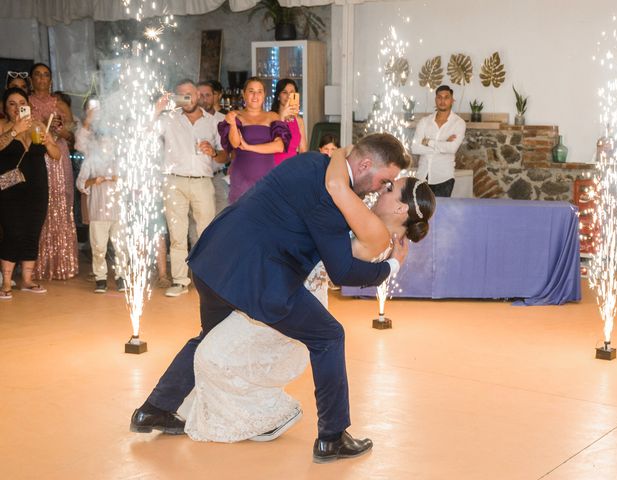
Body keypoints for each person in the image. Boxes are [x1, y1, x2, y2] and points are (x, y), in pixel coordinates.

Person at [130, 133, 411, 463]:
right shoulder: (332, 199)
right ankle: (332, 437)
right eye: (384, 179)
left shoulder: (310, 162)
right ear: (365, 164)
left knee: (210, 337)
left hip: (214, 258)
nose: (382, 187)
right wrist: (390, 268)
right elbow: (343, 272)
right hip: (259, 276)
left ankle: (153, 410)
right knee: (329, 336)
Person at [178, 148, 435, 444]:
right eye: (387, 181)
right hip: (283, 283)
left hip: (290, 289)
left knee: (227, 348)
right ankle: (326, 435)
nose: (384, 189)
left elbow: (337, 188)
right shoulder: (368, 219)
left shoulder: (375, 230)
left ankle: (329, 434)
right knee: (221, 347)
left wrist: (338, 154)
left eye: (392, 188)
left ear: (401, 210)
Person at [156, 79, 226, 297]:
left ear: (197, 94)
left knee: (207, 233)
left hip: (203, 181)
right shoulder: (168, 119)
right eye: (181, 95)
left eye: (189, 94)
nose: (186, 99)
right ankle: (179, 281)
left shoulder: (213, 121)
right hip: (174, 181)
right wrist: (157, 109)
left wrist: (213, 153)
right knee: (177, 234)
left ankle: (208, 280)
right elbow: (145, 133)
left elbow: (225, 155)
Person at [0, 87, 60, 298]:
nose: (17, 107)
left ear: (28, 106)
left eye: (21, 103)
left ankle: (26, 280)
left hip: (37, 188)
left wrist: (47, 142)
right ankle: (6, 282)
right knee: (13, 232)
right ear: (5, 108)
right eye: (12, 104)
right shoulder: (2, 126)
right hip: (10, 188)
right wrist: (15, 130)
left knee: (32, 232)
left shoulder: (38, 125)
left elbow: (56, 154)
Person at [29, 62, 78, 280]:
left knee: (61, 204)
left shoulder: (60, 105)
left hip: (59, 156)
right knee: (39, 205)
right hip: (37, 157)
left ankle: (63, 263)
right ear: (31, 78)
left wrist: (59, 129)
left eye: (46, 75)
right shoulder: (26, 102)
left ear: (51, 79)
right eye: (37, 75)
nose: (41, 78)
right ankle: (36, 266)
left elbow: (72, 137)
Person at [75, 97, 126, 294]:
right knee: (99, 247)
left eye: (110, 141)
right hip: (98, 209)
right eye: (103, 141)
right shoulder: (91, 160)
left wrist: (119, 178)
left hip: (119, 210)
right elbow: (81, 182)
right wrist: (92, 181)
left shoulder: (121, 160)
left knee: (121, 247)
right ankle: (101, 278)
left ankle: (122, 276)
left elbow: (132, 181)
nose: (107, 144)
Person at [218, 77, 290, 203]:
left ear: (264, 95)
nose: (255, 95)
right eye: (251, 91)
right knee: (241, 217)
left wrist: (249, 147)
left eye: (259, 91)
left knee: (267, 218)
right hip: (241, 176)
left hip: (267, 176)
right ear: (244, 94)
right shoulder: (235, 115)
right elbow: (235, 143)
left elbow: (279, 146)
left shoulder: (272, 116)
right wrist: (233, 124)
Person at [411, 84, 466, 197]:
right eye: (439, 97)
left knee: (441, 212)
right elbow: (415, 148)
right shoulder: (424, 121)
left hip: (444, 178)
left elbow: (452, 149)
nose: (442, 100)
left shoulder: (459, 123)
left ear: (452, 100)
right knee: (421, 213)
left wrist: (428, 142)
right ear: (436, 99)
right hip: (422, 176)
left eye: (446, 97)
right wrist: (443, 144)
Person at [196, 80, 229, 216]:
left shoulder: (223, 120)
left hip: (217, 177)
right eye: (200, 95)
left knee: (220, 221)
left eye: (208, 95)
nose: (204, 99)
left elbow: (228, 155)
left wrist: (214, 152)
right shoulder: (184, 121)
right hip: (195, 179)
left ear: (215, 96)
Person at [271, 78, 307, 165]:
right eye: (284, 92)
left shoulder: (299, 120)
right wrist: (282, 116)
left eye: (292, 93)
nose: (288, 96)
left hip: (292, 168)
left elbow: (303, 150)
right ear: (278, 96)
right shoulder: (270, 117)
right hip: (273, 168)